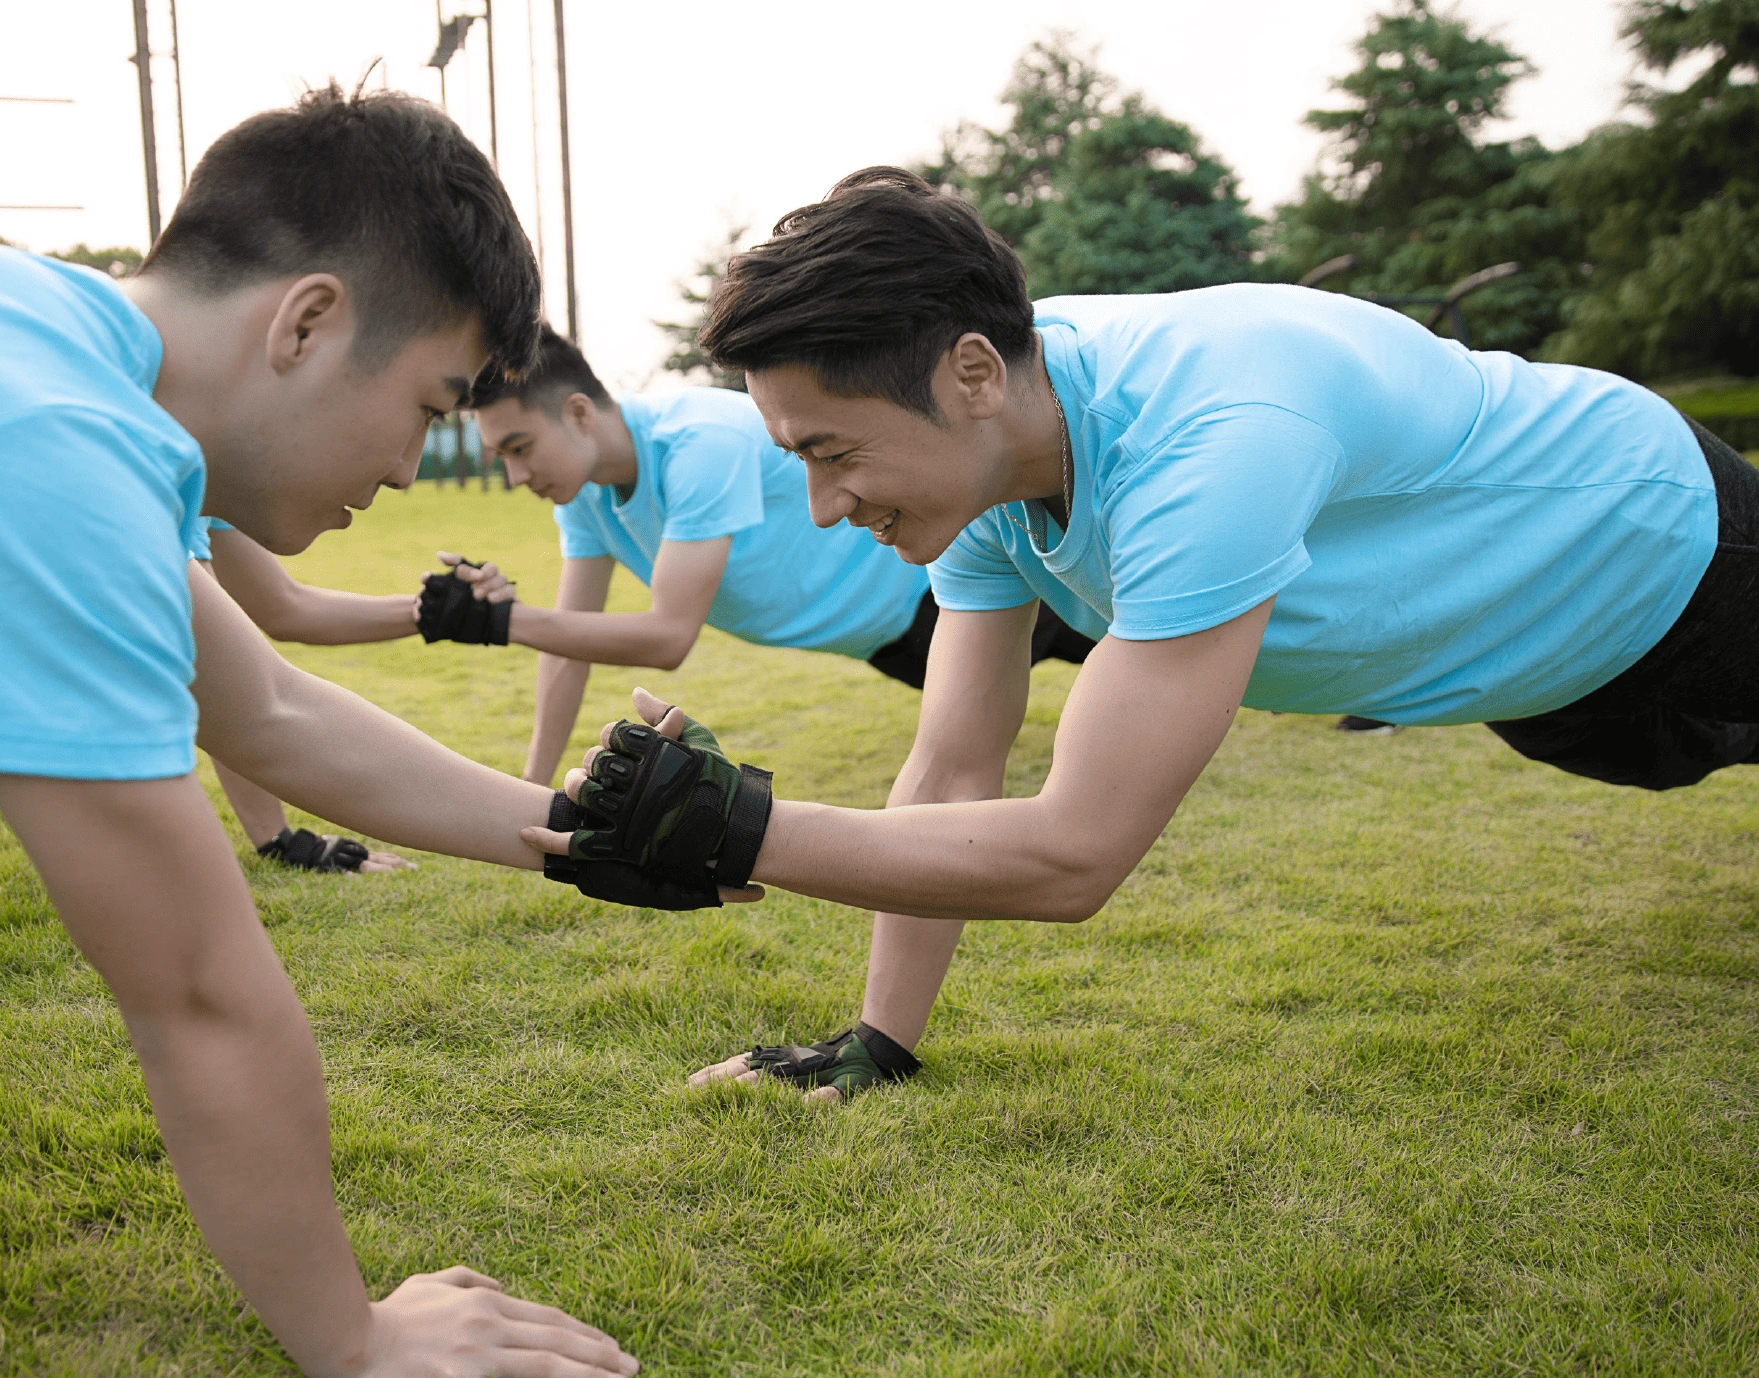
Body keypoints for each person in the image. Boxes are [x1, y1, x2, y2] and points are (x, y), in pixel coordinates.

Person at [0, 86, 655, 1378]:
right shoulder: (36, 438)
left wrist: (584, 834)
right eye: (432, 404)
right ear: (309, 321)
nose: (408, 466)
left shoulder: (44, 361)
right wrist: (358, 1343)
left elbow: (266, 710)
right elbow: (196, 982)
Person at [521, 167, 1758, 1103]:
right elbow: (953, 764)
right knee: (1662, 754)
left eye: (831, 453)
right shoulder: (992, 475)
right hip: (1543, 680)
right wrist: (876, 1047)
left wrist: (741, 826)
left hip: (1665, 545)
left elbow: (1074, 853)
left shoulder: (1212, 430)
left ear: (967, 374)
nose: (822, 506)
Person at [420, 328, 1093, 786]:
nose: (513, 475)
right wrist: (533, 789)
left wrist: (500, 620)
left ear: (576, 413)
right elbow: (568, 648)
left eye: (518, 448)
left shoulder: (695, 442)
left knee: (1136, 641)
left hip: (944, 589)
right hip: (888, 645)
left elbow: (667, 636)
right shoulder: (584, 498)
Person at [198, 521, 512, 872]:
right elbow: (232, 686)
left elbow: (283, 606)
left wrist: (436, 611)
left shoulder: (200, 490)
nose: (401, 479)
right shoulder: (163, 482)